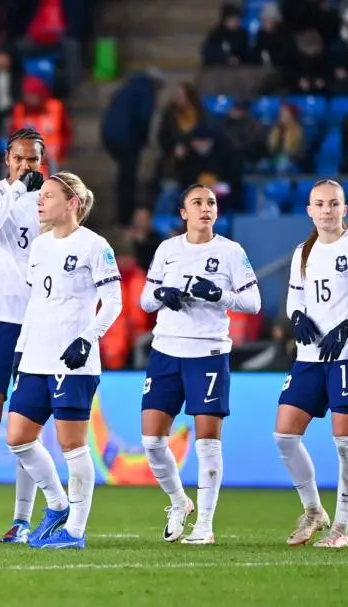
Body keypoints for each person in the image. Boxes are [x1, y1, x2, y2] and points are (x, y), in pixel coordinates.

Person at [5, 171, 122, 549]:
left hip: (72, 362)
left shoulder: (94, 245)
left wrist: (88, 339)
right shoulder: (39, 247)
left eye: (49, 196)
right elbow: (36, 303)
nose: (40, 201)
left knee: (73, 445)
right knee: (18, 438)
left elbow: (115, 302)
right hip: (35, 358)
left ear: (72, 203)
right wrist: (20, 350)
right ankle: (56, 506)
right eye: (40, 195)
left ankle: (74, 531)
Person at [139, 183, 260, 545]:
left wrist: (218, 294)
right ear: (183, 213)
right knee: (151, 441)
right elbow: (146, 300)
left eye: (211, 203)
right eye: (197, 203)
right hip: (165, 351)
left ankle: (205, 524)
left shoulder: (231, 252)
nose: (205, 208)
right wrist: (163, 295)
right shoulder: (167, 249)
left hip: (207, 353)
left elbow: (253, 302)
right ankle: (179, 502)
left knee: (207, 440)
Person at [276, 180, 348, 549]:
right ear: (309, 210)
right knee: (285, 436)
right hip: (309, 357)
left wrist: (347, 325)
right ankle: (313, 511)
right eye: (319, 204)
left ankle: (340, 529)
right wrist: (297, 318)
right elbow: (295, 298)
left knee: (346, 444)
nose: (326, 210)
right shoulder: (302, 252)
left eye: (333, 204)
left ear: (345, 208)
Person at [0, 127, 54, 543]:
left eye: (33, 160)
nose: (25, 166)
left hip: (36, 320)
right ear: (7, 158)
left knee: (25, 422)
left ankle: (21, 520)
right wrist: (18, 191)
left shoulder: (48, 202)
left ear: (42, 161)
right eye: (19, 158)